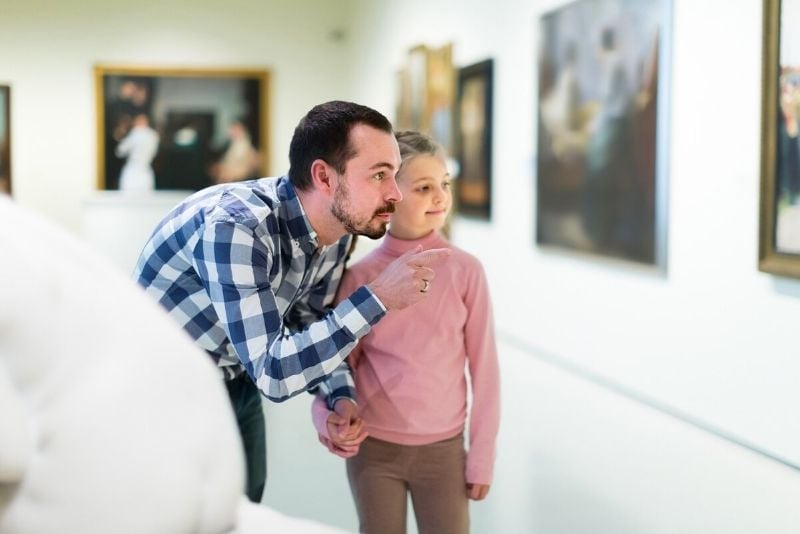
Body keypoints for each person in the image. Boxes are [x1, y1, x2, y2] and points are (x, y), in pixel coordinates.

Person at [132, 101, 451, 504]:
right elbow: (274, 371)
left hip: (235, 376)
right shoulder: (236, 227)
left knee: (243, 508)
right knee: (180, 515)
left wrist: (340, 396)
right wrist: (377, 298)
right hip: (163, 386)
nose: (395, 193)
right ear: (324, 177)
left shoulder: (340, 227)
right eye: (380, 175)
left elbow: (308, 318)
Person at [311, 131, 500, 534]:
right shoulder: (360, 277)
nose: (440, 197)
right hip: (373, 451)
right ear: (391, 195)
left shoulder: (467, 272)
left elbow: (486, 373)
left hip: (444, 451)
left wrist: (480, 454)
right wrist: (327, 417)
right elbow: (336, 364)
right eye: (424, 187)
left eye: (444, 185)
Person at [116, 113, 159, 192]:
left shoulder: (136, 132)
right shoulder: (153, 135)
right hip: (146, 171)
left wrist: (121, 134)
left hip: (133, 170)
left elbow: (120, 151)